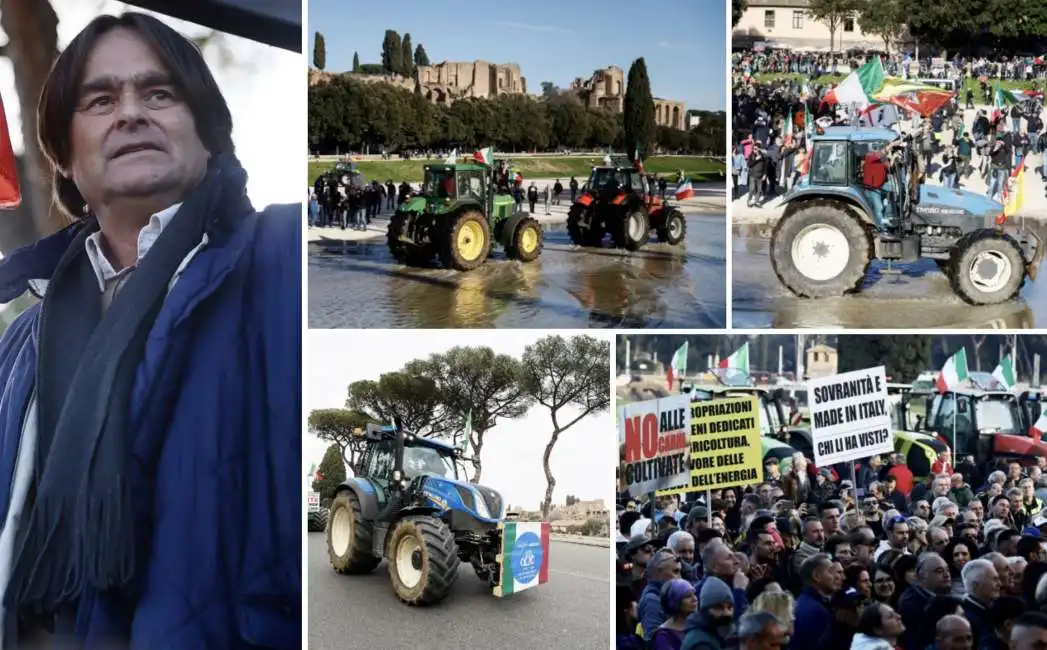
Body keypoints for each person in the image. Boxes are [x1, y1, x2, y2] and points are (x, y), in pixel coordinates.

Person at [0, 12, 300, 648]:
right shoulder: (20, 345)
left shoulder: (285, 263)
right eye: (100, 99)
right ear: (67, 157)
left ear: (209, 135)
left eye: (158, 93)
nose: (130, 113)